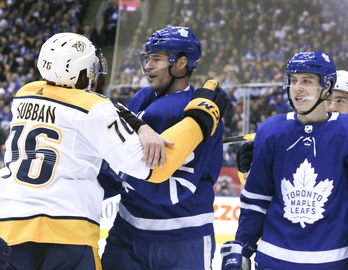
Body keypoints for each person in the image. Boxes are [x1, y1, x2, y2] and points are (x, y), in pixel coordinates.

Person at [0, 32, 229, 270]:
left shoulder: (24, 93)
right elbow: (153, 169)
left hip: (2, 222)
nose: (149, 66)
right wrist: (201, 118)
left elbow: (101, 108)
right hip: (66, 231)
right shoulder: (96, 109)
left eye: (157, 58)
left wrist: (138, 126)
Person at [100, 26, 225, 270]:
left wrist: (119, 171)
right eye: (147, 58)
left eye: (156, 59)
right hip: (127, 233)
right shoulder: (143, 97)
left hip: (182, 240)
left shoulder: (198, 113)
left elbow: (177, 189)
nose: (147, 66)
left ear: (181, 63)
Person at [221, 51, 348, 270]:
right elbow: (256, 199)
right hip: (272, 260)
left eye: (307, 81)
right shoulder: (271, 130)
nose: (298, 88)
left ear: (326, 86)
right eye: (294, 81)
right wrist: (243, 245)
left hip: (330, 261)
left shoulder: (344, 132)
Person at [236, 69, 348, 182]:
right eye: (327, 100)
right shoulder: (297, 140)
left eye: (341, 101)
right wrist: (254, 169)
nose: (332, 108)